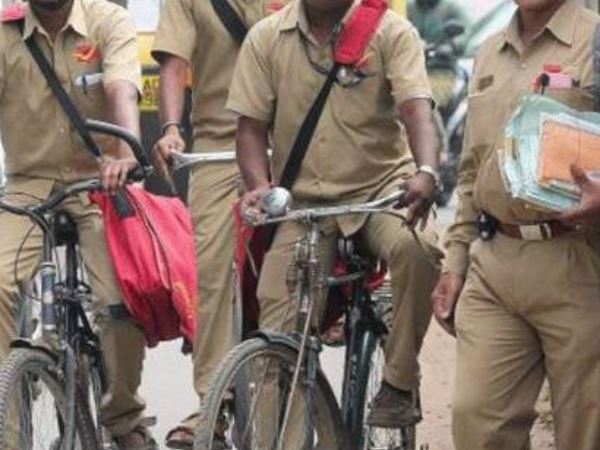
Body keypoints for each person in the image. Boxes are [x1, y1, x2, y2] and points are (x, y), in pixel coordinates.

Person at [228, 0, 443, 429]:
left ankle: (399, 381)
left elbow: (415, 109)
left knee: (418, 248)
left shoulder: (390, 32)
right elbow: (250, 128)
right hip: (304, 204)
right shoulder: (267, 37)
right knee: (277, 336)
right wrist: (259, 186)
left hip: (380, 194)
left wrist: (426, 171)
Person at [431, 1, 600, 449]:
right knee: (477, 422)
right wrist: (455, 261)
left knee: (584, 431)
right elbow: (471, 171)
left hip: (578, 261)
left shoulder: (595, 42)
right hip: (495, 264)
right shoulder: (489, 52)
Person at [0, 0, 155, 449]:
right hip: (28, 186)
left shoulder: (108, 21)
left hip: (100, 180)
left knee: (121, 302)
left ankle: (123, 416)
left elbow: (122, 88)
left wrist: (126, 151)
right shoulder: (5, 32)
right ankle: (8, 433)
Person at [151, 0, 287, 447]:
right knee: (209, 272)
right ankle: (213, 401)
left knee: (294, 268)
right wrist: (171, 127)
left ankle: (289, 378)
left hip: (288, 141)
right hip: (217, 144)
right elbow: (174, 63)